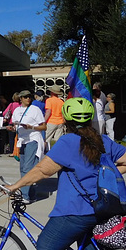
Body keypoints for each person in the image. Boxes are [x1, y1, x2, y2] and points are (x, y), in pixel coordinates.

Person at [7, 98, 126, 249]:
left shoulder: (68, 141)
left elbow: (42, 171)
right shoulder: (103, 140)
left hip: (75, 212)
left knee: (44, 246)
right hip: (102, 210)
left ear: (65, 119)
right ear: (91, 118)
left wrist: (15, 186)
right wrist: (106, 175)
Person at [5, 90, 46, 203]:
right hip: (22, 140)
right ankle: (31, 194)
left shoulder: (35, 110)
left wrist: (31, 127)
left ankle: (25, 196)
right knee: (23, 168)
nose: (28, 98)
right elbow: (15, 125)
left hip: (33, 139)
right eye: (25, 97)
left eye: (29, 97)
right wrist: (12, 128)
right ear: (20, 99)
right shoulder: (17, 110)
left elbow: (43, 127)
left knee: (27, 168)